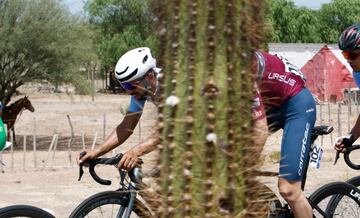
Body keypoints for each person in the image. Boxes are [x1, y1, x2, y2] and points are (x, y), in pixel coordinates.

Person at [252, 51, 316, 218]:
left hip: (297, 105)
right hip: (272, 103)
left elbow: (260, 129)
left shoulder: (242, 69)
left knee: (289, 189)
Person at [77, 47, 161, 170]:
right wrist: (96, 152)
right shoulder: (141, 91)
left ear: (150, 76)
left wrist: (135, 152)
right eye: (124, 85)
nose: (128, 91)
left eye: (131, 85)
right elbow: (126, 127)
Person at [335, 23, 360, 153]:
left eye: (353, 55)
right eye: (346, 55)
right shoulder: (358, 73)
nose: (348, 61)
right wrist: (350, 138)